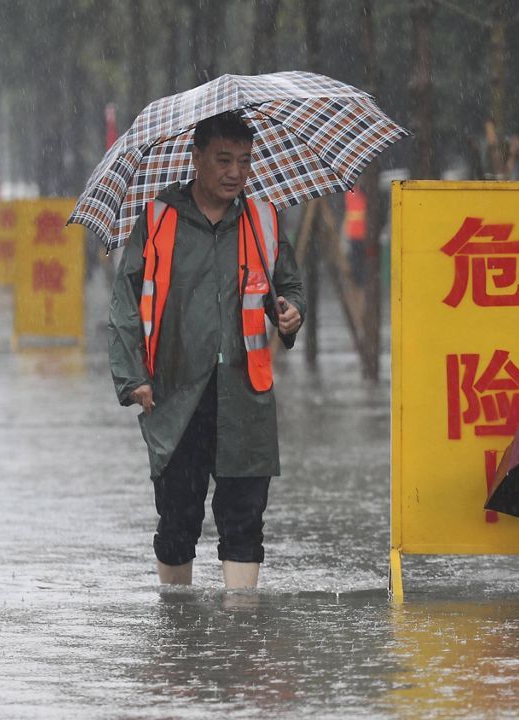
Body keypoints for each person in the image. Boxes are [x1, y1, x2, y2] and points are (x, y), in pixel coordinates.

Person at [108, 111, 305, 590]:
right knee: (178, 521)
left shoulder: (262, 218)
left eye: (244, 161)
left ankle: (240, 643)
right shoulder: (158, 219)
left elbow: (291, 285)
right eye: (223, 160)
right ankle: (178, 637)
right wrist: (132, 379)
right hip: (176, 395)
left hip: (245, 394)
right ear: (195, 159)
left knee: (244, 522)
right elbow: (125, 305)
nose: (235, 172)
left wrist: (291, 312)